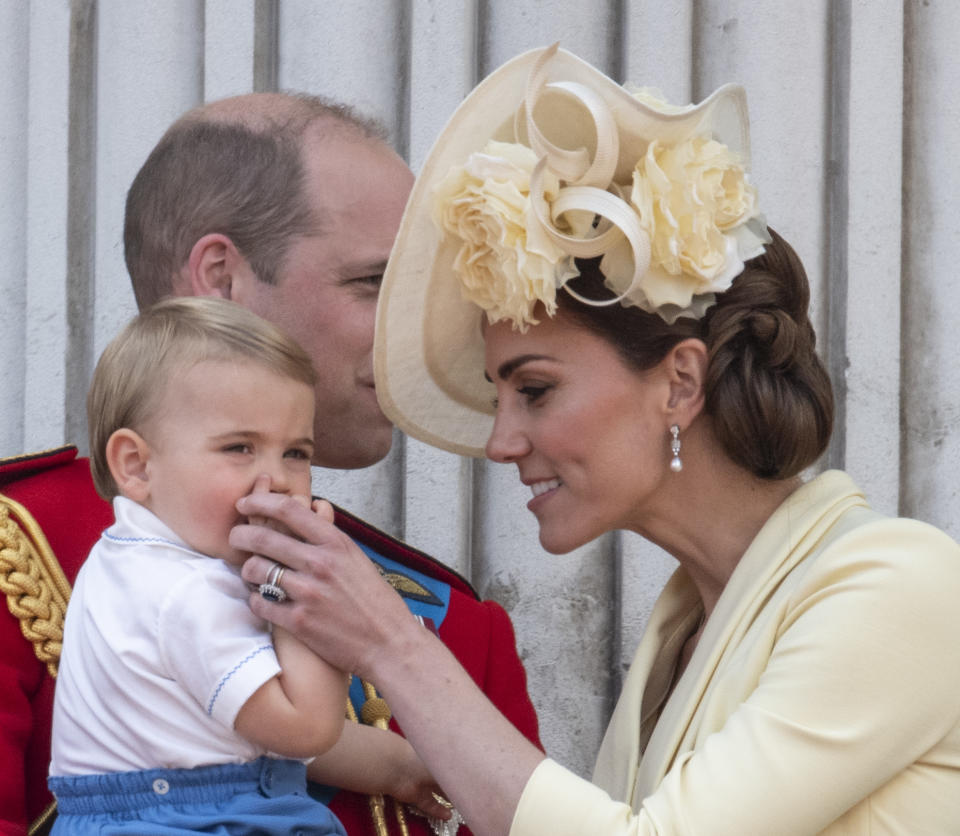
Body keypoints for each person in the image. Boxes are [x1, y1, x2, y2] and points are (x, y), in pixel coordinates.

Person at [232, 45, 960, 835]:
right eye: (498, 395)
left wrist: (389, 642)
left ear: (681, 383)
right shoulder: (682, 626)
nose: (503, 442)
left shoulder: (902, 584)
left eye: (534, 389)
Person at [2, 90, 540, 836]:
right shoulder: (17, 553)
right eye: (375, 285)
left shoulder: (456, 623)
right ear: (222, 280)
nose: (408, 337)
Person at [50, 296, 374, 833]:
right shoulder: (187, 592)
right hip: (193, 818)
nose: (278, 479)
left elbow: (240, 732)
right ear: (136, 466)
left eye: (296, 453)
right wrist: (294, 592)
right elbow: (307, 731)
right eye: (240, 448)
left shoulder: (126, 562)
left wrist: (405, 769)